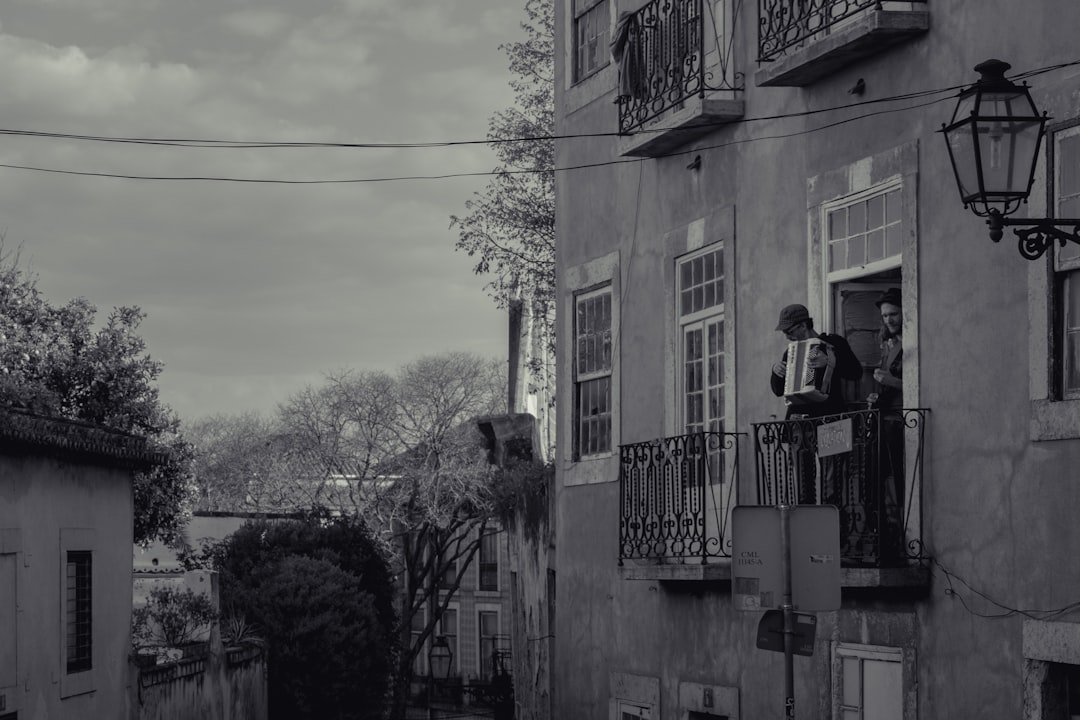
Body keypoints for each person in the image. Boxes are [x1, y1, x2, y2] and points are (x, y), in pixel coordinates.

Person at [769, 304, 862, 506]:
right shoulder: (790, 352)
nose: (786, 336)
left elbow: (856, 373)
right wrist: (776, 372)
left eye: (789, 331)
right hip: (800, 423)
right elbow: (778, 390)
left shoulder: (834, 343)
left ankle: (835, 532)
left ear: (803, 325)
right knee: (803, 487)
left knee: (833, 483)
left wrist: (830, 362)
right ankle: (809, 531)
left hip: (832, 420)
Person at [870, 287, 905, 563]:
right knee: (879, 481)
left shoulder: (910, 344)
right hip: (886, 421)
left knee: (899, 481)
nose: (889, 320)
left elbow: (918, 385)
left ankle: (900, 537)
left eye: (893, 314)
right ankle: (883, 537)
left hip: (901, 422)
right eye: (884, 316)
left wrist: (888, 381)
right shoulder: (889, 346)